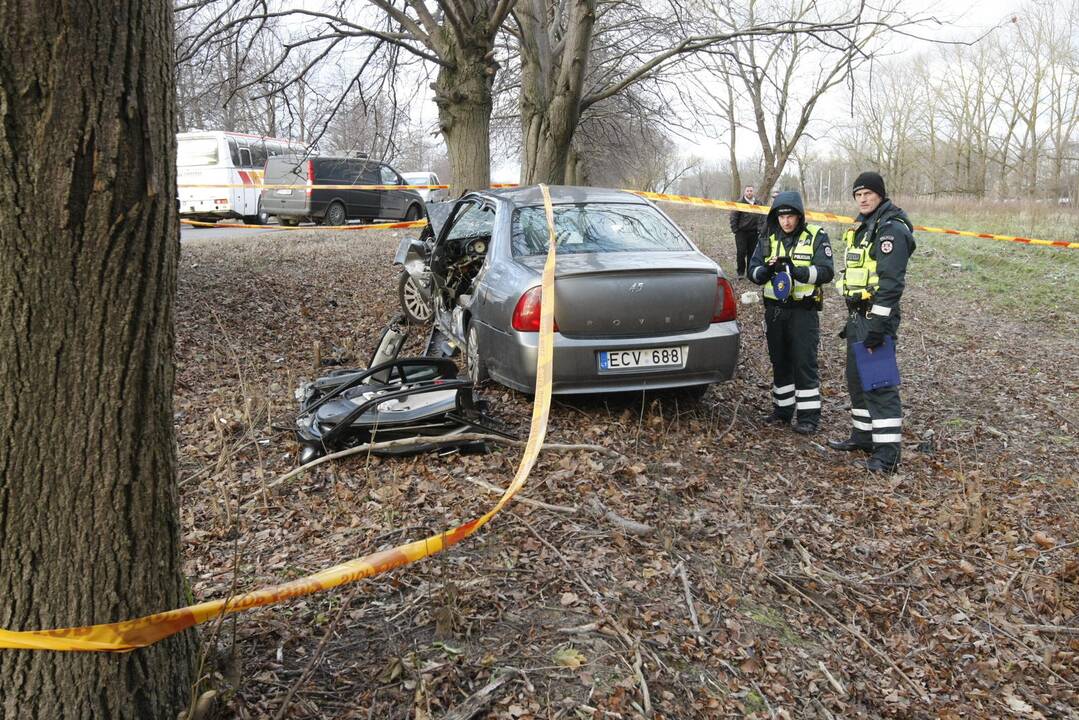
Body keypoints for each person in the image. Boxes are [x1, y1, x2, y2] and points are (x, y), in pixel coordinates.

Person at [827, 171, 916, 473]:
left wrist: (878, 325)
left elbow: (891, 284)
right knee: (856, 380)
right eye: (858, 194)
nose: (863, 199)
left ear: (880, 194)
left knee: (879, 384)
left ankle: (888, 454)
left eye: (868, 193)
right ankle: (863, 437)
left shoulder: (890, 230)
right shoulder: (864, 227)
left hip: (876, 317)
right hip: (857, 316)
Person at [747, 191, 834, 434]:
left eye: (791, 216)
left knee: (804, 363)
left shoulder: (816, 235)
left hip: (802, 311)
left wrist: (798, 272)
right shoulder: (767, 237)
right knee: (780, 361)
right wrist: (763, 271)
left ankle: (808, 418)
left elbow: (826, 272)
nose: (786, 221)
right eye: (782, 216)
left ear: (799, 216)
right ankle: (782, 411)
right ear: (776, 217)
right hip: (775, 312)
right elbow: (752, 270)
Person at [728, 185, 760, 278]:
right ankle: (740, 272)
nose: (749, 192)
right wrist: (735, 230)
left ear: (753, 192)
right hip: (741, 232)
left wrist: (760, 229)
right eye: (747, 191)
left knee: (752, 253)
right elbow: (733, 217)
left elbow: (763, 216)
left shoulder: (758, 203)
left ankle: (750, 273)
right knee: (741, 253)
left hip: (754, 232)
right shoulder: (739, 203)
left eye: (751, 191)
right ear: (744, 192)